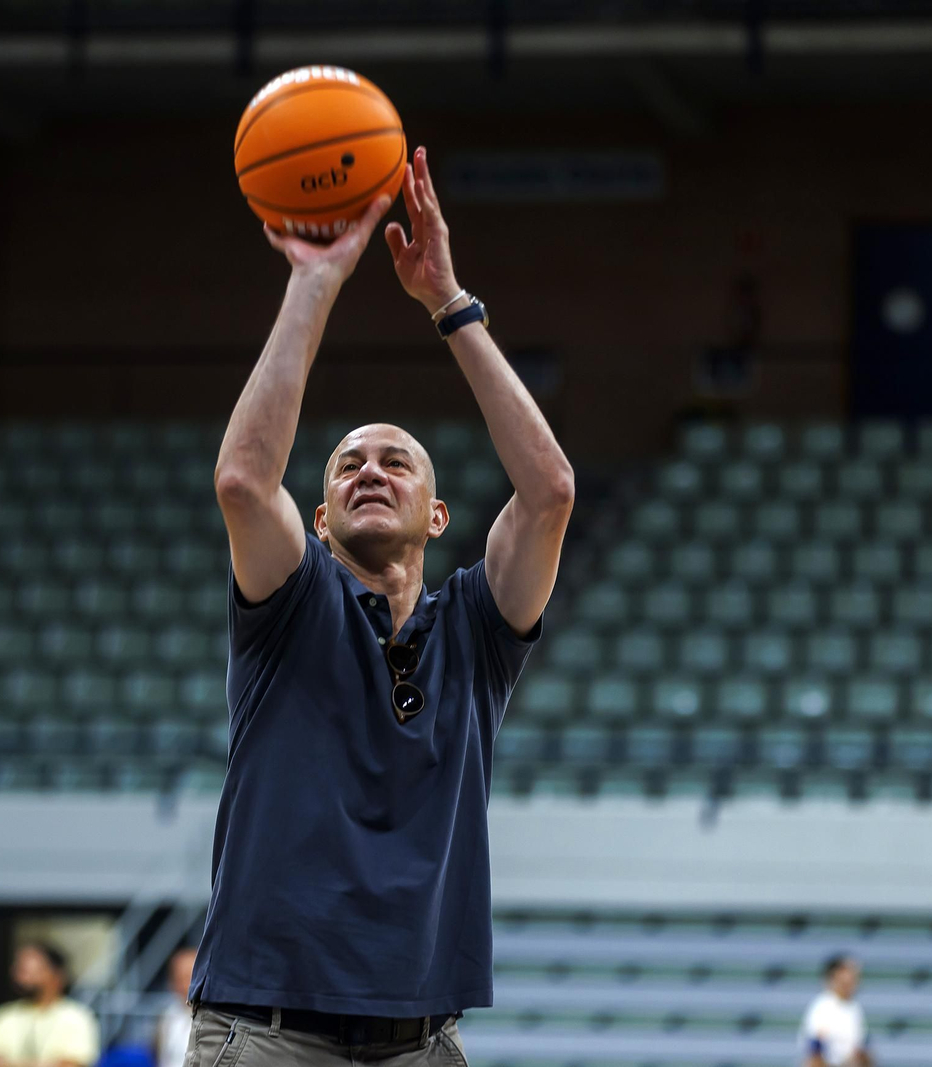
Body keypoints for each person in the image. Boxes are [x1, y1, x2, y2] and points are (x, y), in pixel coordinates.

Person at [188, 145, 573, 1065]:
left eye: (396, 460)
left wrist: (450, 302)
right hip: (266, 1032)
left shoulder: (477, 632)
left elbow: (551, 489)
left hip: (422, 1041)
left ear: (438, 515)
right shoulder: (291, 605)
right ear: (319, 521)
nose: (370, 469)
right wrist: (315, 280)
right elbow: (243, 480)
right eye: (348, 464)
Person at [0, 942, 99, 1067]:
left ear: (57, 975)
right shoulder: (2, 1016)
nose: (21, 976)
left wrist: (7, 1064)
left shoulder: (76, 1017)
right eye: (19, 969)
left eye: (30, 969)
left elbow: (73, 1065)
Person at [798, 954, 873, 1067]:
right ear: (835, 976)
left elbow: (862, 1050)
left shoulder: (855, 1008)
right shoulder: (823, 1006)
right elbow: (815, 1051)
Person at [153, 948, 195, 1067]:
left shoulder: (214, 1018)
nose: (183, 984)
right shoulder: (167, 1016)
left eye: (188, 977)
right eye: (178, 978)